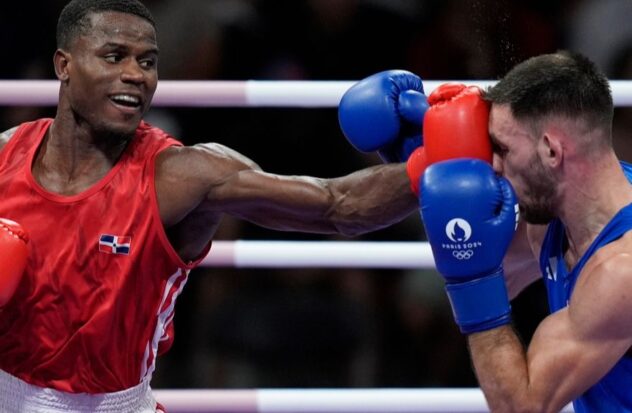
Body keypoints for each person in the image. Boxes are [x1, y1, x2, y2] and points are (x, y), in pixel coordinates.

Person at [0, 0, 437, 412]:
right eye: (114, 56)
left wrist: (441, 154)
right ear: (65, 66)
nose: (135, 74)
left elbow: (337, 205)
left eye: (147, 61)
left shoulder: (182, 174)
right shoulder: (5, 158)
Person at [419, 50, 632, 412]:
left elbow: (522, 406)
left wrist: (472, 276)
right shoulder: (551, 221)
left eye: (501, 148)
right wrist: (431, 155)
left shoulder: (621, 271)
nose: (493, 167)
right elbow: (501, 285)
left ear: (551, 151)